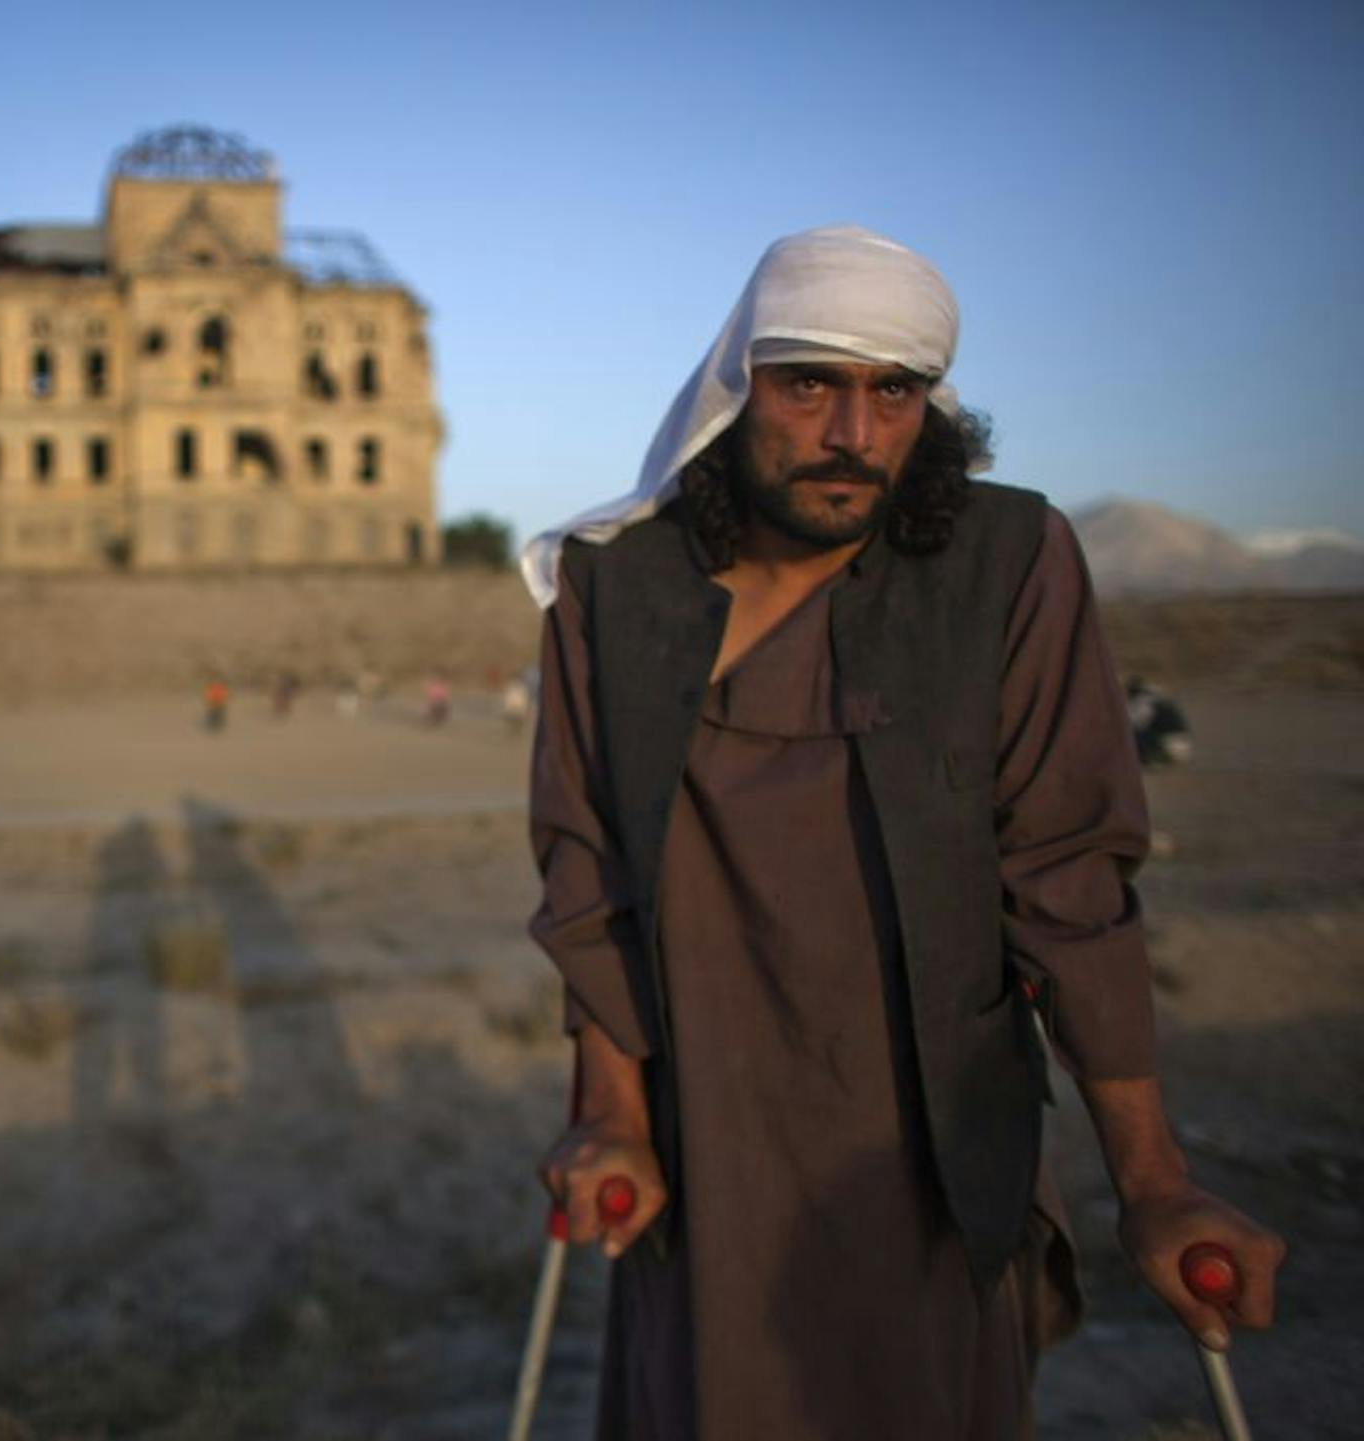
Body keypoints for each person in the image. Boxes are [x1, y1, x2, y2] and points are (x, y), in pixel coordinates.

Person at [521, 226, 1283, 1440]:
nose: (852, 434)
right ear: (739, 385)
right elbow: (589, 870)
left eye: (895, 391)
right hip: (703, 1130)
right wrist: (613, 1115)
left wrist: (1155, 1181)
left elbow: (1070, 880)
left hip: (934, 1132)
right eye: (809, 382)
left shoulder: (1009, 562)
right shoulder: (617, 590)